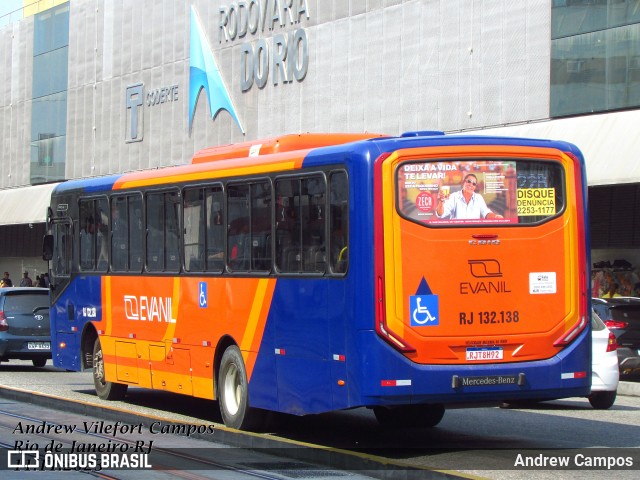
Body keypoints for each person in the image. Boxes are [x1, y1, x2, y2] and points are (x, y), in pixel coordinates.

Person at [436, 173, 503, 220]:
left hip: (474, 232)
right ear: (463, 182)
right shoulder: (454, 197)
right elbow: (441, 214)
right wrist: (441, 203)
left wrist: (496, 217)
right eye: (469, 181)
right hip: (457, 232)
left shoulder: (478, 198)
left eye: (474, 184)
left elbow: (486, 213)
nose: (471, 185)